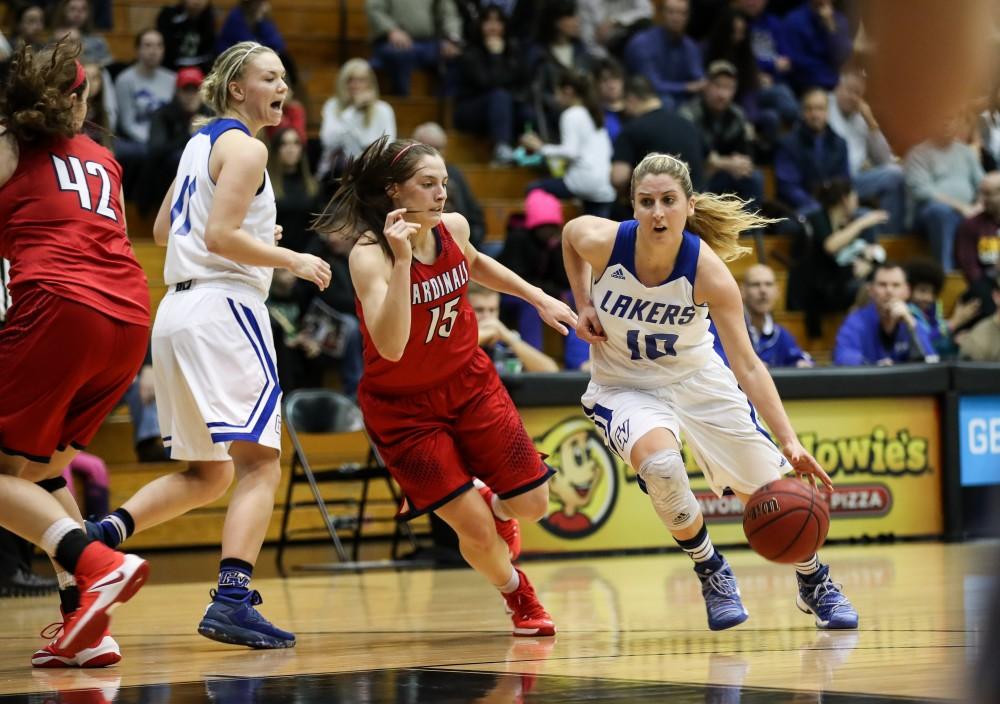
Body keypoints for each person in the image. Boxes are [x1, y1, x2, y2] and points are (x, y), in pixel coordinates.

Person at [85, 41, 331, 650]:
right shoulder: (248, 147)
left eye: (284, 76)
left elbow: (169, 229)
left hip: (176, 312)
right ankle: (231, 598)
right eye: (269, 76)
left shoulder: (200, 144)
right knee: (260, 463)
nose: (283, 86)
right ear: (237, 88)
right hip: (224, 310)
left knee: (208, 473)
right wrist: (290, 256)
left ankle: (95, 538)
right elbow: (219, 236)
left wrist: (253, 235)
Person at [562, 152, 858, 631]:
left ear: (689, 205)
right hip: (624, 385)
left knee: (770, 493)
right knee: (660, 465)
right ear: (632, 206)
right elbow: (569, 237)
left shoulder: (709, 272)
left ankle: (814, 578)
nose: (658, 212)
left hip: (699, 381)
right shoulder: (603, 241)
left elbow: (748, 364)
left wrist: (790, 441)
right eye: (646, 202)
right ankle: (711, 570)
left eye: (668, 201)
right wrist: (582, 303)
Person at [311, 135, 577, 637]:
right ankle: (516, 593)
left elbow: (474, 262)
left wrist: (538, 297)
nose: (440, 194)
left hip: (469, 383)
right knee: (473, 532)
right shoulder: (370, 256)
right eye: (427, 184)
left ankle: (497, 504)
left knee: (534, 505)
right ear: (394, 192)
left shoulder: (452, 227)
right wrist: (404, 260)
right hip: (403, 408)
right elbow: (389, 347)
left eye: (443, 183)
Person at [0, 41, 151, 667]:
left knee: (5, 478)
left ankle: (96, 562)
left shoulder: (9, 143)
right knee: (41, 471)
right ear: (81, 99)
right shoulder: (104, 157)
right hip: (129, 317)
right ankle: (86, 627)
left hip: (61, 306)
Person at [832, 262, 937, 366]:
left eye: (896, 285)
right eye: (882, 285)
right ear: (871, 290)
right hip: (870, 382)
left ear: (907, 291)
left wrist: (912, 326)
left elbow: (931, 361)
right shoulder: (855, 322)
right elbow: (843, 357)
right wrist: (874, 367)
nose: (889, 291)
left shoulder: (912, 321)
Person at [468, 282, 559, 373]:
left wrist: (508, 337)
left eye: (492, 310)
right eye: (479, 310)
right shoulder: (456, 337)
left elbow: (551, 371)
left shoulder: (503, 340)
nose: (487, 317)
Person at [741, 264, 813, 368]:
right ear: (742, 291)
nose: (763, 290)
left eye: (768, 284)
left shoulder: (781, 335)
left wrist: (802, 364)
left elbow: (803, 360)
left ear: (777, 292)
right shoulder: (726, 331)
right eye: (755, 284)